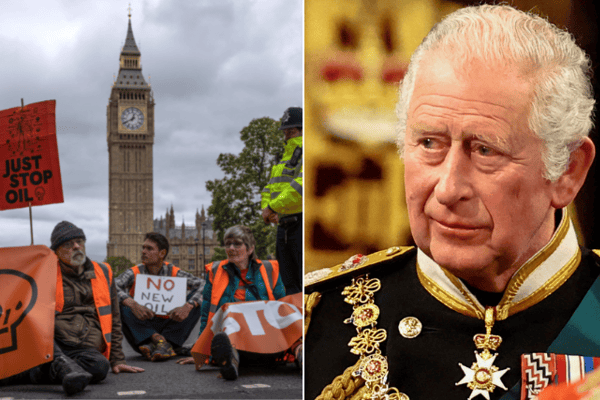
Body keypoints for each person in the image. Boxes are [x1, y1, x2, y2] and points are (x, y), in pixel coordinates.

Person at [305, 4, 599, 400]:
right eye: (429, 143)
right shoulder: (314, 321)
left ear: (568, 171)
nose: (447, 189)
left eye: (485, 150)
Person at [1, 221, 144, 395]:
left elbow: (114, 317)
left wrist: (117, 359)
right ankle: (62, 367)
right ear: (56, 252)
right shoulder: (45, 273)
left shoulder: (104, 271)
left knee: (100, 367)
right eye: (68, 244)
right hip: (52, 341)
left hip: (83, 347)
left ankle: (29, 373)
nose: (76, 246)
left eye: (79, 241)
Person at [176, 225, 291, 380]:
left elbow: (283, 309)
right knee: (230, 315)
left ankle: (301, 354)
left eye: (237, 244)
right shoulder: (215, 271)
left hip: (265, 336)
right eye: (227, 244)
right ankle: (230, 360)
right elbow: (206, 314)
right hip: (234, 334)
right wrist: (201, 351)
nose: (231, 248)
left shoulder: (270, 269)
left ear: (250, 249)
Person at [115, 232, 204, 361]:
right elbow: (110, 286)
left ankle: (159, 346)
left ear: (162, 253)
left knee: (197, 301)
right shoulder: (135, 272)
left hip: (170, 327)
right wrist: (131, 303)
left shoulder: (173, 272)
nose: (143, 251)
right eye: (143, 248)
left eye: (149, 248)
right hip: (142, 332)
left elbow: (204, 285)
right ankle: (159, 341)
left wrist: (188, 306)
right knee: (122, 303)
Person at [261, 106, 303, 295]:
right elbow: (269, 187)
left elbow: (301, 185)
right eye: (285, 131)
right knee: (289, 284)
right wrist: (267, 211)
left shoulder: (304, 152)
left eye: (291, 131)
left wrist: (272, 207)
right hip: (282, 226)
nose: (286, 135)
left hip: (299, 223)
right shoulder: (282, 159)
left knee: (303, 281)